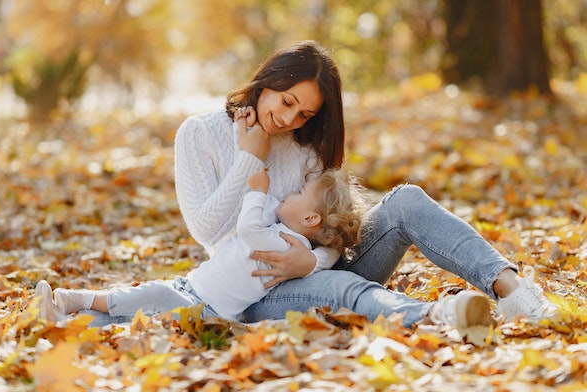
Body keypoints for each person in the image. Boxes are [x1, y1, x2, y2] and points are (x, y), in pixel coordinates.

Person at [171, 39, 559, 328]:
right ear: (268, 81)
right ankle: (441, 316)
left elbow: (335, 226)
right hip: (256, 288)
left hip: (323, 265)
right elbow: (207, 231)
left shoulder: (305, 144)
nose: (290, 120)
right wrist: (249, 158)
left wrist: (313, 261)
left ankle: (514, 291)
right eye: (287, 102)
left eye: (304, 113)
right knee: (340, 291)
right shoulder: (200, 134)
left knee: (405, 200)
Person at [34, 109, 369, 324]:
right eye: (286, 103)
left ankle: (71, 302)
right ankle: (64, 318)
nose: (288, 192)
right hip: (193, 286)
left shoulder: (285, 240)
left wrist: (257, 189)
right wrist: (246, 152)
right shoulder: (283, 224)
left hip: (210, 309)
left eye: (297, 193)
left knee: (145, 301)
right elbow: (236, 214)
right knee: (141, 310)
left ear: (311, 220)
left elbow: (250, 226)